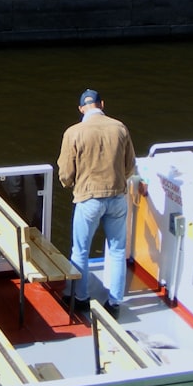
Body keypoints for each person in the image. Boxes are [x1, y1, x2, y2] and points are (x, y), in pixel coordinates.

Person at [57, 89, 138, 318]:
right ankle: (114, 303)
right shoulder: (120, 128)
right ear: (102, 104)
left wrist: (72, 183)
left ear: (81, 108)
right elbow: (130, 166)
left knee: (80, 251)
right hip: (117, 198)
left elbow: (65, 174)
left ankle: (81, 299)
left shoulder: (73, 132)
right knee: (118, 250)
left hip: (88, 198)